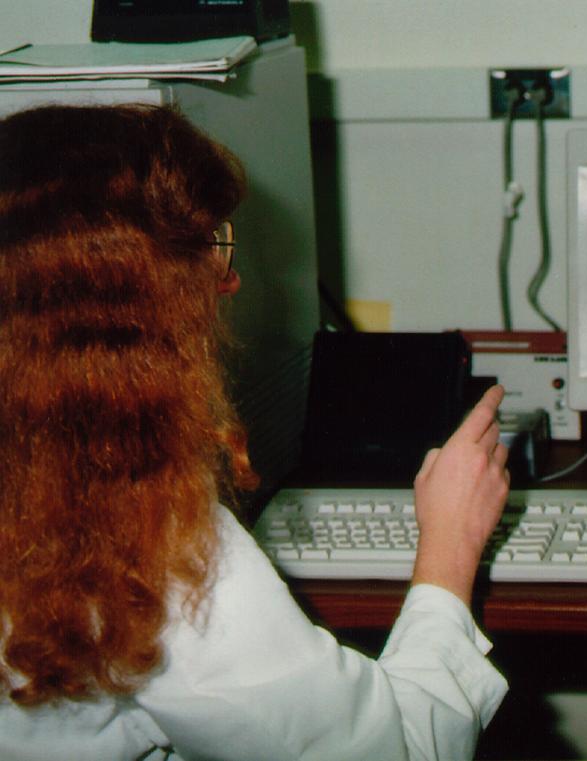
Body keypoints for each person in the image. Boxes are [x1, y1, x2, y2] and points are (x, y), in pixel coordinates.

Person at [0, 103, 509, 760]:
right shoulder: (140, 545)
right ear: (124, 318)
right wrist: (450, 545)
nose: (231, 281)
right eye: (215, 250)